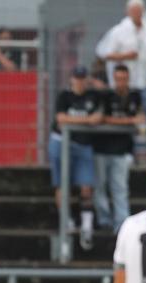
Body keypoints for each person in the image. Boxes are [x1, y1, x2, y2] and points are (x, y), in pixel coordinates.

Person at [96, 1, 146, 152]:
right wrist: (126, 55)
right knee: (123, 118)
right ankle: (127, 152)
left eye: (138, 10)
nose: (136, 13)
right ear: (127, 12)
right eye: (133, 10)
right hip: (125, 85)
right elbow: (104, 54)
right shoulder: (118, 31)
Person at [48, 66, 102, 251]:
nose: (79, 82)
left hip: (83, 145)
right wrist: (87, 121)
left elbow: (99, 116)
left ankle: (86, 226)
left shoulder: (93, 96)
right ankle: (67, 220)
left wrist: (77, 121)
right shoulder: (64, 96)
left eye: (82, 78)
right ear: (72, 79)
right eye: (76, 78)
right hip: (61, 143)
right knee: (62, 185)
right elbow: (61, 119)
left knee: (86, 187)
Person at [93, 64, 143, 234]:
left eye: (124, 79)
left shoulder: (135, 96)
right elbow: (102, 118)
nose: (121, 82)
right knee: (100, 186)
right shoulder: (106, 95)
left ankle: (121, 224)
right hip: (101, 148)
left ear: (128, 79)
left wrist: (129, 121)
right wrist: (128, 122)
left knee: (120, 188)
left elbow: (140, 117)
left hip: (122, 150)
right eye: (118, 79)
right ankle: (104, 220)